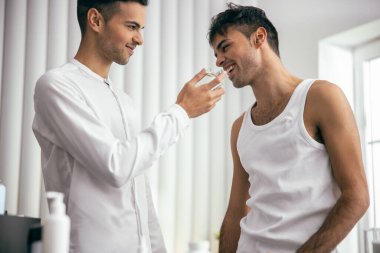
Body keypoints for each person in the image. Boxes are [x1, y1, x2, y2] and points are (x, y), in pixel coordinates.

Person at [32, 0, 225, 252]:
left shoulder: (125, 102)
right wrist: (182, 111)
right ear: (96, 20)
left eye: (141, 28)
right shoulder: (56, 86)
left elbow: (141, 197)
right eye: (132, 26)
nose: (140, 39)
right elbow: (115, 165)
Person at [208, 3, 369, 253]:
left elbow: (357, 198)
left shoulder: (322, 97)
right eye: (216, 54)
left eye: (225, 47)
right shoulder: (239, 128)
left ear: (259, 37)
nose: (218, 61)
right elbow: (235, 213)